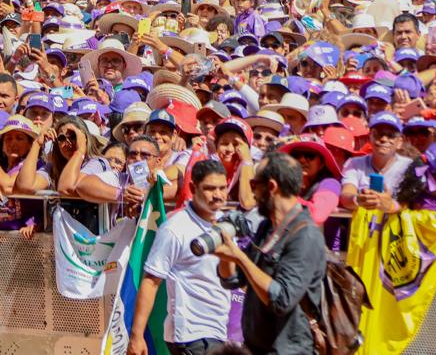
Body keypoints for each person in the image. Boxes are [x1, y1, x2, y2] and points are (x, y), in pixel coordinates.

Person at [213, 152, 327, 355]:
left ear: (272, 187)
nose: (253, 193)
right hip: (255, 347)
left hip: (289, 351)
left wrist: (239, 257)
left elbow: (282, 300)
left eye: (254, 184)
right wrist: (224, 254)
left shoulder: (306, 235)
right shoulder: (267, 227)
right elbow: (232, 280)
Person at [128, 159, 233, 355]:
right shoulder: (175, 228)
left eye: (222, 188)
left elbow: (228, 278)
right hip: (190, 336)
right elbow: (151, 281)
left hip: (218, 332)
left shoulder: (225, 225)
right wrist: (136, 335)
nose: (218, 195)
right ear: (193, 188)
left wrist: (228, 254)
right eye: (210, 188)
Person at [339, 112, 412, 212]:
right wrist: (358, 199)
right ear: (370, 137)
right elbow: (346, 195)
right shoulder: (354, 164)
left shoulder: (409, 167)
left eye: (391, 135)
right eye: (378, 134)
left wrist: (391, 206)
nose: (383, 139)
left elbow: (415, 204)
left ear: (400, 142)